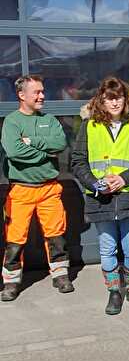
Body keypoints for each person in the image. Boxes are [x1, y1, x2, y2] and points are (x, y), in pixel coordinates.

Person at [71, 77, 129, 315]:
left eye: (118, 97)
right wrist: (95, 183)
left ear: (126, 99)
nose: (115, 102)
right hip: (101, 198)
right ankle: (114, 292)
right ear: (101, 100)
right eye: (109, 98)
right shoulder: (89, 126)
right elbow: (77, 162)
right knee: (107, 248)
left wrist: (124, 179)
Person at [1, 75, 73, 302]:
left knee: (56, 235)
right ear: (22, 95)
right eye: (37, 92)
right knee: (15, 239)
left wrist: (31, 142)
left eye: (43, 91)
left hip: (49, 188)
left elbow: (60, 144)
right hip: (21, 190)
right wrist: (45, 153)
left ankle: (60, 275)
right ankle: (11, 282)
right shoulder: (11, 122)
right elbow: (14, 152)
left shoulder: (50, 120)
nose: (42, 96)